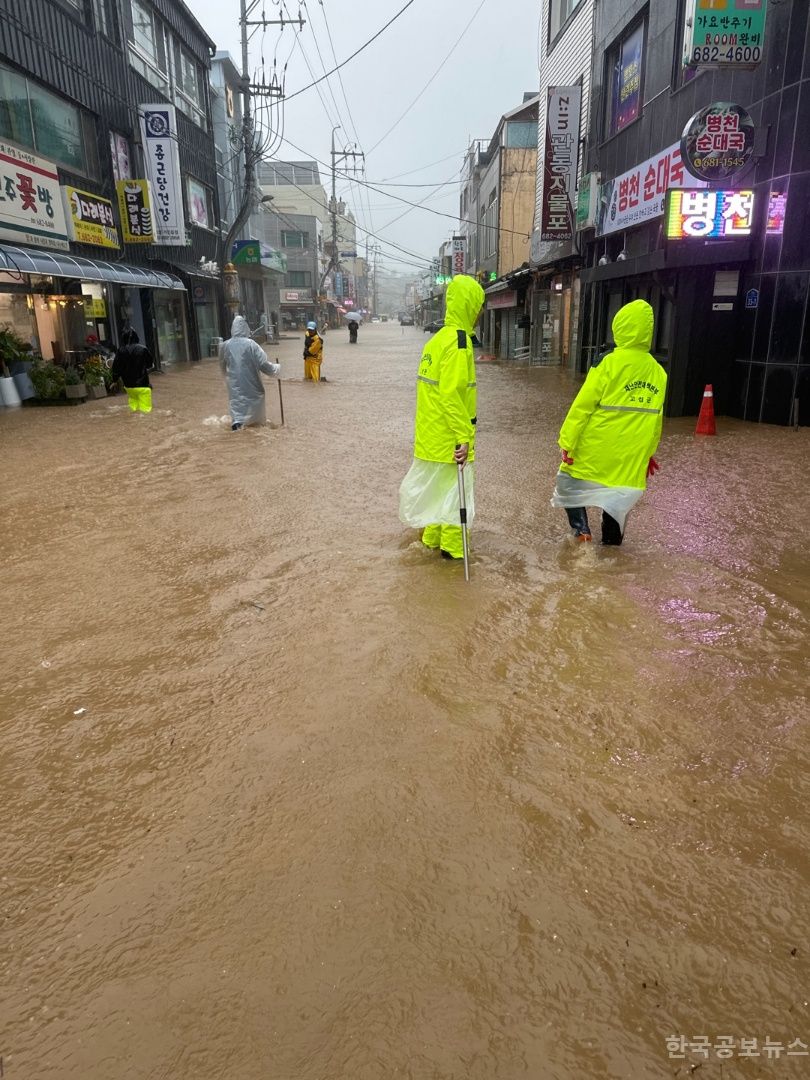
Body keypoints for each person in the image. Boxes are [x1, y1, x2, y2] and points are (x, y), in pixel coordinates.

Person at [551, 299, 667, 545]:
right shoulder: (659, 372)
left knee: (569, 485)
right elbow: (656, 421)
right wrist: (648, 455)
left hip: (596, 447)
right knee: (618, 498)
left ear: (620, 327)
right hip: (630, 454)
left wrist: (567, 441)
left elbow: (582, 406)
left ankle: (582, 533)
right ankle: (613, 546)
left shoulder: (607, 361)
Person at [399, 274, 485, 560]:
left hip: (429, 437)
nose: (480, 313)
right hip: (450, 440)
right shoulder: (460, 343)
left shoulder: (436, 341)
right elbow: (451, 394)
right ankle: (452, 555)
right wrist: (464, 437)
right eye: (479, 306)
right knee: (455, 501)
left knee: (438, 497)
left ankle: (432, 542)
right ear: (470, 306)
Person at [219, 314, 280, 430]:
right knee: (255, 421)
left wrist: (227, 381)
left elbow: (222, 367)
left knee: (238, 417)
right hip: (252, 388)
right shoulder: (252, 345)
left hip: (235, 389)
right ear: (245, 328)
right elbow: (264, 365)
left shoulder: (225, 346)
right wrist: (277, 369)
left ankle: (237, 429)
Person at [112, 328, 154, 413]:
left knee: (133, 409)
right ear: (136, 337)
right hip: (143, 386)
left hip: (128, 386)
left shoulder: (120, 350)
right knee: (145, 411)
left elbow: (116, 367)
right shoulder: (143, 349)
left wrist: (114, 380)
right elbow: (150, 364)